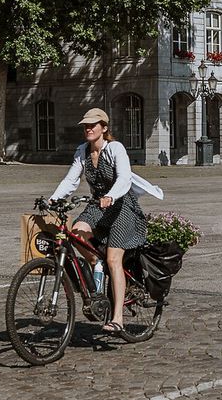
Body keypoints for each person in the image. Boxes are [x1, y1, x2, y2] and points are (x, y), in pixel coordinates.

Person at [50, 108, 159, 340]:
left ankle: (117, 318)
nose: (88, 128)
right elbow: (71, 180)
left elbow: (124, 178)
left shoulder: (115, 148)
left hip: (122, 207)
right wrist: (53, 199)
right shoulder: (82, 152)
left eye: (93, 125)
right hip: (98, 206)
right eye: (86, 125)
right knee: (76, 233)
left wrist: (112, 195)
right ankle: (94, 263)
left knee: (113, 259)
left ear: (104, 128)